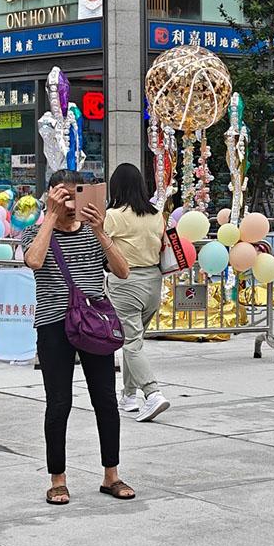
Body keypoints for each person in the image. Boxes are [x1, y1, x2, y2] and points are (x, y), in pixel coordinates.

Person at [21, 170, 133, 505]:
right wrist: (50, 218)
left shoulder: (93, 232)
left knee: (105, 400)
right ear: (49, 196)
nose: (70, 202)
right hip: (54, 325)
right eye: (62, 195)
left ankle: (111, 474)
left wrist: (99, 229)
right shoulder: (34, 233)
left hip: (94, 323)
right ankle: (57, 478)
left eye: (75, 195)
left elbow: (123, 270)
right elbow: (34, 260)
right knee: (59, 402)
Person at [103, 163, 169, 423]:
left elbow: (99, 244)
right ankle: (130, 394)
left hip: (125, 282)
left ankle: (152, 393)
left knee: (131, 343)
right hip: (153, 281)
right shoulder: (156, 215)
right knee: (135, 340)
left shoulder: (114, 215)